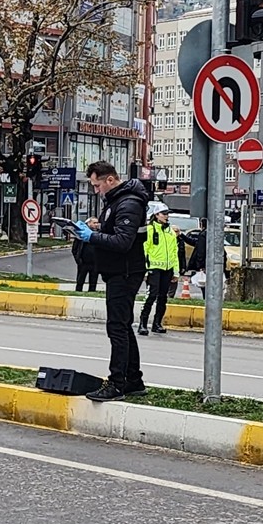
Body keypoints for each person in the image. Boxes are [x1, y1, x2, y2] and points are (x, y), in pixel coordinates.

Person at [72, 160, 149, 402]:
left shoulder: (129, 203)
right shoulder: (117, 201)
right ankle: (134, 380)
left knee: (117, 327)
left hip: (124, 272)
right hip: (119, 271)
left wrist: (93, 236)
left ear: (110, 180)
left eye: (97, 185)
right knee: (123, 326)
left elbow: (122, 242)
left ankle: (117, 383)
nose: (96, 191)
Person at [138, 202, 179, 336]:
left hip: (167, 268)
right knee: (151, 295)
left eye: (167, 214)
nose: (166, 216)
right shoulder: (150, 230)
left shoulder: (171, 232)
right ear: (156, 215)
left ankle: (157, 323)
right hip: (153, 268)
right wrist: (144, 269)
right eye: (164, 214)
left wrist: (176, 271)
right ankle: (143, 323)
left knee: (163, 297)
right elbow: (144, 250)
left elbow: (175, 252)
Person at [177, 217, 208, 298]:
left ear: (202, 225)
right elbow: (194, 242)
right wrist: (181, 235)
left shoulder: (203, 235)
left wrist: (200, 265)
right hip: (207, 263)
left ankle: (206, 298)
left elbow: (201, 251)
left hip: (205, 264)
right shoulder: (209, 234)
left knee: (204, 283)